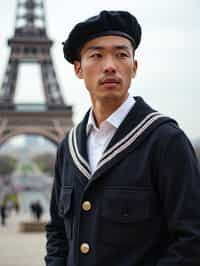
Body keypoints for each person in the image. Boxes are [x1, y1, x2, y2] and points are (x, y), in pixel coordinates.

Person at [45, 10, 200, 266]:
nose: (110, 65)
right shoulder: (68, 148)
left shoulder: (165, 141)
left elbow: (191, 240)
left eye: (121, 54)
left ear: (134, 67)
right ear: (78, 69)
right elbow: (58, 233)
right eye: (97, 55)